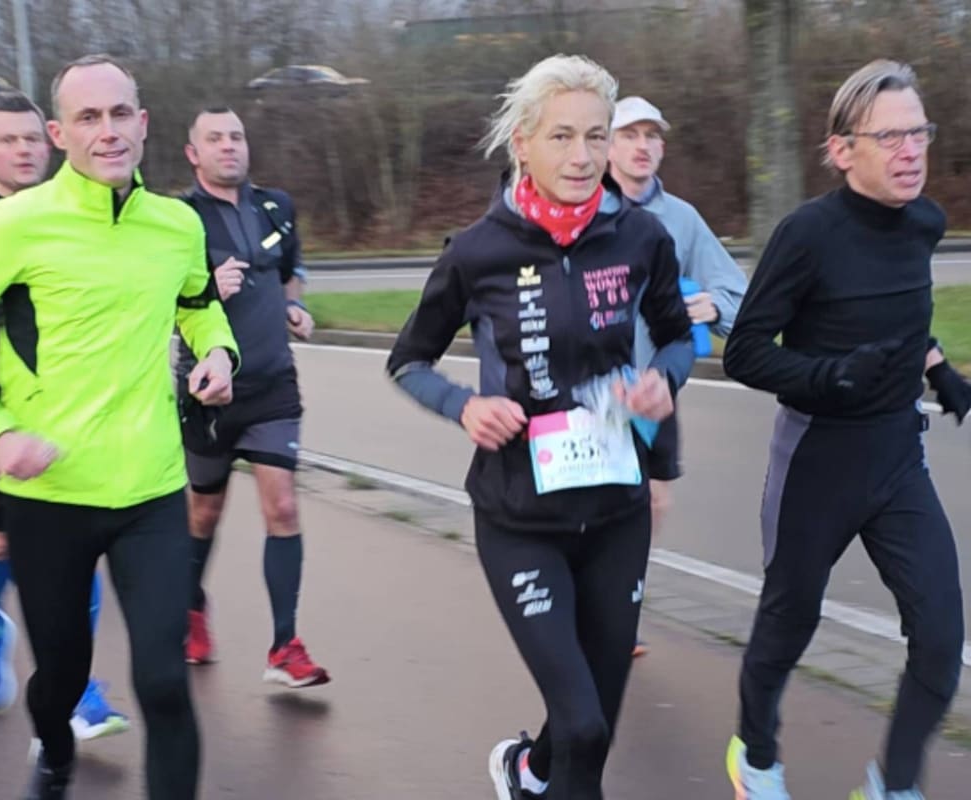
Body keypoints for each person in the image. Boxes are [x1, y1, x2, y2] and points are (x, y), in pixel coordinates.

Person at [0, 54, 238, 799]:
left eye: (121, 113)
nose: (108, 131)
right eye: (88, 117)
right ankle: (53, 751)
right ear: (60, 133)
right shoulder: (12, 224)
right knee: (61, 677)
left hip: (152, 490)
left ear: (144, 123)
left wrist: (219, 349)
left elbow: (197, 301)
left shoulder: (176, 223)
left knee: (162, 681)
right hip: (49, 493)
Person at [387, 54, 694, 800]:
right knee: (584, 727)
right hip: (520, 516)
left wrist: (665, 382)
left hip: (618, 511)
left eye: (596, 136)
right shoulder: (477, 251)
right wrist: (463, 405)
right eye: (562, 137)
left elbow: (678, 336)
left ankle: (527, 773)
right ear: (522, 143)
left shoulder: (642, 238)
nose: (583, 157)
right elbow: (408, 361)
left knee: (588, 726)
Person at [722, 60, 969, 800]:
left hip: (897, 459)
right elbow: (744, 352)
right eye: (889, 136)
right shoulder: (806, 235)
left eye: (918, 132)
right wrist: (827, 378)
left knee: (941, 637)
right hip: (816, 460)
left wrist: (938, 368)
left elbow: (902, 320)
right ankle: (755, 756)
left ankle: (891, 787)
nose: (911, 150)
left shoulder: (925, 223)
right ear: (842, 151)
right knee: (788, 622)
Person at [0, 85, 129, 736]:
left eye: (33, 137)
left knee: (75, 550)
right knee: (0, 540)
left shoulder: (81, 211)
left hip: (69, 415)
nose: (24, 150)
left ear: (53, 141)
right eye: (9, 139)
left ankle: (78, 689)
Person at [177, 105, 329, 687]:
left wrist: (296, 305)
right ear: (194, 153)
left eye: (236, 136)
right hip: (210, 392)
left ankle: (284, 646)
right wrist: (207, 288)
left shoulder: (277, 206)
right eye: (214, 138)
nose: (228, 147)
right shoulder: (179, 217)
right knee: (204, 510)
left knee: (283, 506)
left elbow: (292, 269)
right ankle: (191, 608)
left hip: (273, 383)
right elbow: (162, 296)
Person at [607, 95, 749, 656]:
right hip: (597, 388)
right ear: (608, 144)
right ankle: (589, 608)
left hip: (657, 389)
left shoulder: (682, 219)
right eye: (629, 135)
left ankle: (620, 610)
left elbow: (737, 291)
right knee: (594, 507)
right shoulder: (587, 204)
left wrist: (714, 306)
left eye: (652, 136)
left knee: (651, 506)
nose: (643, 146)